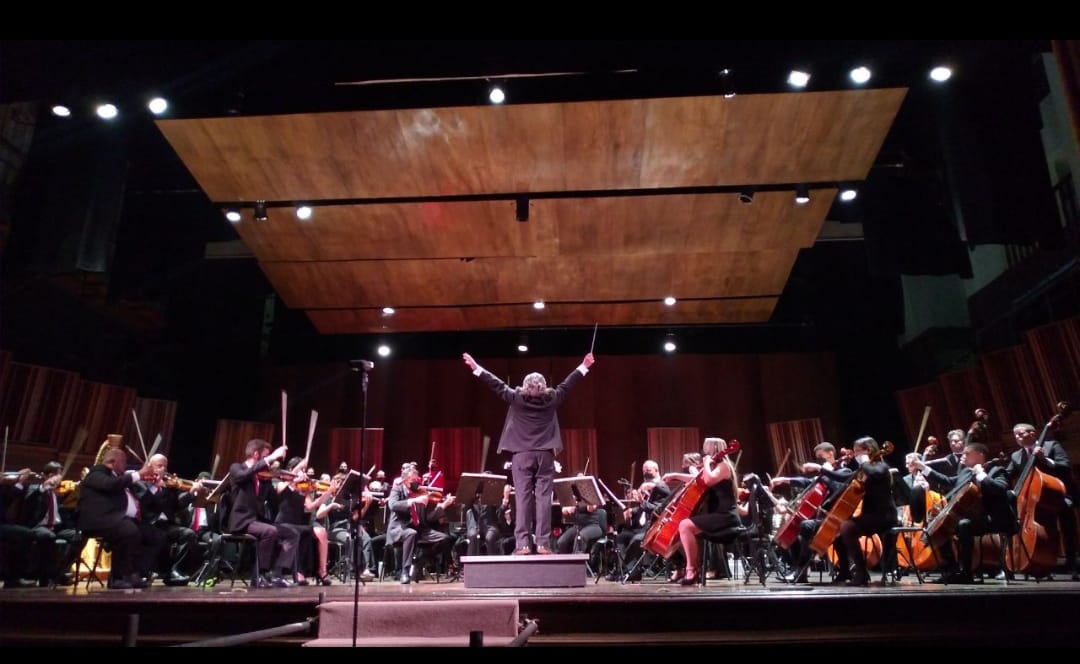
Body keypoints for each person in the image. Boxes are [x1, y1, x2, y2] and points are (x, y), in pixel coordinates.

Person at [463, 351, 595, 555]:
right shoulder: (552, 398)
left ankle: (523, 544)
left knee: (522, 498)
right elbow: (568, 384)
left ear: (525, 387)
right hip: (545, 455)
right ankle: (542, 544)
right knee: (543, 499)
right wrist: (584, 365)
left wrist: (476, 368)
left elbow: (496, 384)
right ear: (543, 387)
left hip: (521, 454)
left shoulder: (516, 398)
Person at [914, 442, 1014, 583]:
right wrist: (923, 467)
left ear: (979, 456)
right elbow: (948, 481)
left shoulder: (997, 471)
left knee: (964, 525)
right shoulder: (966, 472)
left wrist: (981, 475)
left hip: (995, 518)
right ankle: (952, 570)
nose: (963, 456)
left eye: (967, 453)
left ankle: (966, 573)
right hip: (975, 518)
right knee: (940, 526)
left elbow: (999, 490)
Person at [77, 448, 164, 589]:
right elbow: (110, 485)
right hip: (100, 520)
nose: (126, 466)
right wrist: (139, 474)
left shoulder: (119, 478)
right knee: (129, 531)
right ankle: (117, 578)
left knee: (154, 535)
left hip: (119, 520)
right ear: (112, 461)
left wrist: (153, 487)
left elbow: (140, 502)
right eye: (124, 462)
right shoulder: (96, 473)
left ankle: (136, 573)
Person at [661, 437, 739, 585]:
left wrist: (707, 463)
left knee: (685, 525)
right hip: (718, 515)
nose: (703, 452)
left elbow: (709, 480)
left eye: (705, 449)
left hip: (726, 517)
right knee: (685, 527)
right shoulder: (715, 466)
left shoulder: (724, 466)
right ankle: (690, 567)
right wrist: (674, 476)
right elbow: (697, 479)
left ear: (712, 449)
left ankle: (691, 570)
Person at [1005, 421, 1077, 580]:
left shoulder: (1051, 445)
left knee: (1067, 515)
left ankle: (1072, 564)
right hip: (1033, 500)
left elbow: (1064, 466)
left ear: (1032, 434)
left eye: (1021, 433)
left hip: (1057, 494)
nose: (1017, 437)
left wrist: (1045, 459)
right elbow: (1007, 475)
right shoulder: (1016, 455)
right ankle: (1041, 563)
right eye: (1015, 435)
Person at [224, 438, 299, 588]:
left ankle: (277, 574)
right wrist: (272, 457)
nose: (269, 461)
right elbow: (243, 476)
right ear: (256, 454)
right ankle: (259, 575)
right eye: (266, 456)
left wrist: (292, 484)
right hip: (241, 521)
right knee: (270, 531)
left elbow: (275, 501)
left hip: (257, 521)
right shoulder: (237, 468)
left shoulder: (264, 478)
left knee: (292, 533)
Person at [824, 437, 897, 586]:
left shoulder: (881, 467)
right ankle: (845, 571)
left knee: (847, 527)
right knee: (839, 531)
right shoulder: (866, 468)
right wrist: (822, 471)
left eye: (858, 452)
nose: (856, 455)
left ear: (868, 451)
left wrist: (863, 462)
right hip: (871, 516)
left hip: (884, 516)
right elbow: (845, 477)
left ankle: (862, 573)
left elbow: (874, 473)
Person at [386, 463, 455, 584]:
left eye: (417, 480)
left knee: (445, 539)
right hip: (400, 528)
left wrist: (443, 506)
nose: (416, 483)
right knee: (411, 533)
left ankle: (419, 562)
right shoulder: (397, 489)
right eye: (413, 480)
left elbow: (428, 518)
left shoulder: (420, 492)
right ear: (405, 481)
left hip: (419, 528)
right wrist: (412, 501)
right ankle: (405, 572)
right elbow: (392, 505)